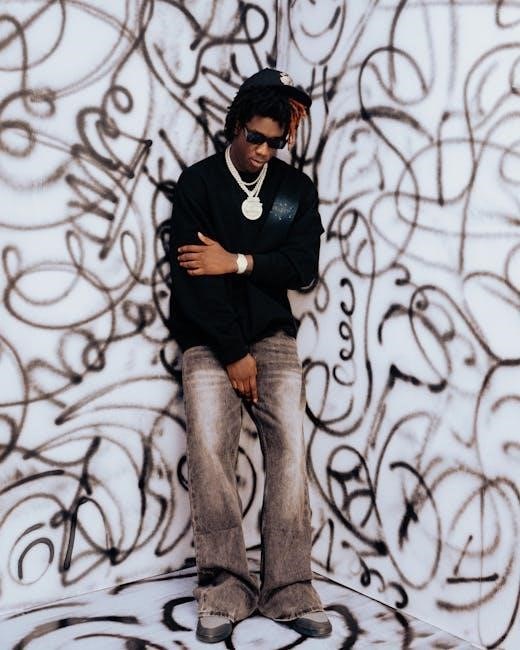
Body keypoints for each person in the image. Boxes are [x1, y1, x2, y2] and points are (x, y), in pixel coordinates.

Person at [169, 68, 332, 644]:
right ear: (235, 125)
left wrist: (236, 261)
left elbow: (302, 268)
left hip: (274, 338)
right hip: (210, 341)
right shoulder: (198, 184)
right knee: (211, 456)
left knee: (288, 454)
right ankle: (224, 592)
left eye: (275, 142)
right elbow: (193, 279)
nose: (263, 151)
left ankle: (289, 590)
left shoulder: (294, 192)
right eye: (255, 138)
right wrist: (234, 353)